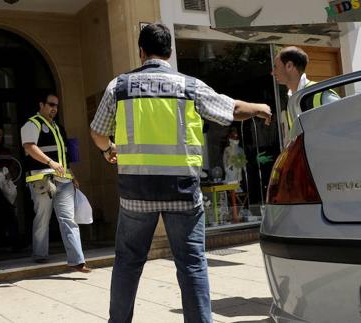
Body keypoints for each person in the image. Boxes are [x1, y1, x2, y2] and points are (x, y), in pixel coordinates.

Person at [90, 23, 272, 323]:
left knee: (127, 263)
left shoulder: (118, 87)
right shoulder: (188, 86)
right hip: (181, 192)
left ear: (141, 51)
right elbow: (231, 110)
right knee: (192, 265)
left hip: (136, 193)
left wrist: (109, 149)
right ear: (170, 52)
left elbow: (97, 132)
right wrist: (260, 107)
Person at [20, 92, 90, 272]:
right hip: (42, 180)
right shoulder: (32, 124)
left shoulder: (57, 127)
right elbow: (29, 147)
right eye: (51, 104)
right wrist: (50, 162)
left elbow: (63, 155)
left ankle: (77, 260)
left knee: (68, 218)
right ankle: (40, 254)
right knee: (43, 218)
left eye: (56, 106)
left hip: (63, 179)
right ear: (41, 104)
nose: (54, 109)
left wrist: (71, 174)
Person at [271, 46, 339, 130]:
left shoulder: (322, 93)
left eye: (275, 67)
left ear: (289, 66)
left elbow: (346, 124)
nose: (272, 73)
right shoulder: (291, 100)